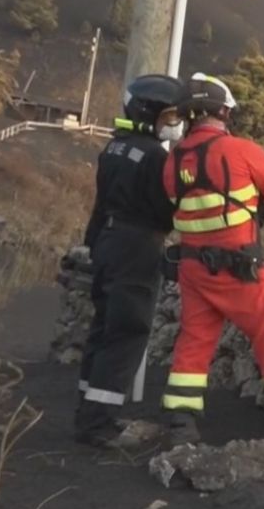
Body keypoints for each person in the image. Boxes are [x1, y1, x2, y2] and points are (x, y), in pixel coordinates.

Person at [160, 72, 264, 445]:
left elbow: (175, 208)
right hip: (240, 268)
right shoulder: (242, 151)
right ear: (223, 113)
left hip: (194, 269)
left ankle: (181, 424)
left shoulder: (172, 162)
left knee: (195, 340)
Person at [76, 74, 188, 448]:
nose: (174, 124)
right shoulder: (156, 156)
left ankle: (88, 408)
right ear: (150, 113)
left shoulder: (114, 147)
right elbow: (164, 212)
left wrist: (93, 244)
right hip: (137, 246)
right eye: (170, 116)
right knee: (127, 332)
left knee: (104, 325)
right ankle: (99, 424)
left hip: (108, 241)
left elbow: (100, 202)